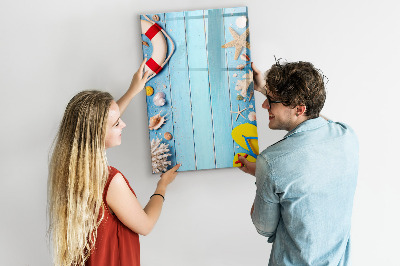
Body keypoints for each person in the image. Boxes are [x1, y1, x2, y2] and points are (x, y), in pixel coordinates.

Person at [48, 59, 181, 266]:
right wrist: (162, 186)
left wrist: (132, 90)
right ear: (97, 133)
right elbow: (145, 225)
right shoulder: (110, 181)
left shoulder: (69, 170)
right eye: (117, 123)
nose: (124, 124)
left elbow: (101, 120)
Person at [238, 61, 359, 265]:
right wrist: (264, 89)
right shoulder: (347, 136)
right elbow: (316, 120)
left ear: (299, 108)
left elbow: (264, 227)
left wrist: (263, 174)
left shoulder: (270, 162)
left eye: (271, 100)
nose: (265, 105)